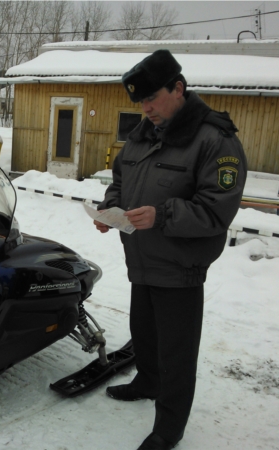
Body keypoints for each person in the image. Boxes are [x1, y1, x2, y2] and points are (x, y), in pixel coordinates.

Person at [95, 49, 247, 450]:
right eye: (140, 102)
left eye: (152, 99)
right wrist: (111, 209)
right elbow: (121, 177)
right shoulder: (144, 132)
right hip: (142, 258)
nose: (145, 110)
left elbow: (216, 211)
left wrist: (161, 215)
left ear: (178, 88)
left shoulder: (216, 140)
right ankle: (147, 381)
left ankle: (169, 428)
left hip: (181, 267)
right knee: (143, 333)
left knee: (177, 355)